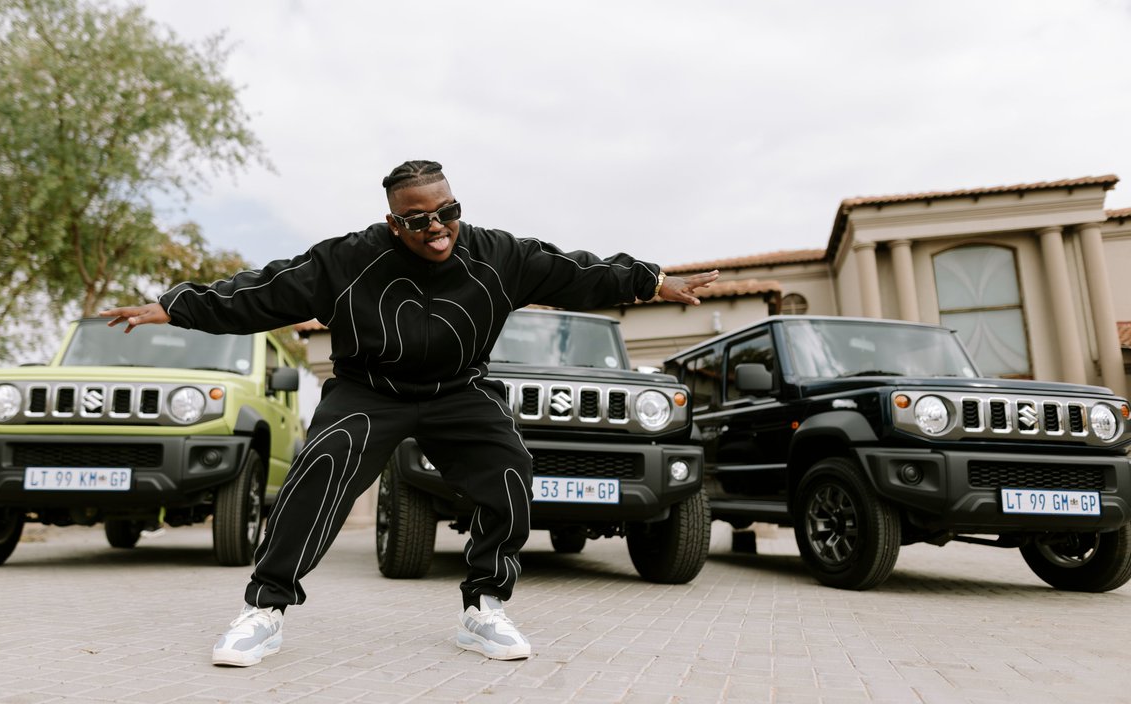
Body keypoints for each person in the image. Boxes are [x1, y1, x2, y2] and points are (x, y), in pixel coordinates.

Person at [101, 160, 718, 666]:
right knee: (322, 463)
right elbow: (264, 290)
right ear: (394, 222)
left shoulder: (499, 255)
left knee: (510, 469)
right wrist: (175, 307)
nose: (437, 227)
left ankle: (484, 611)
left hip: (458, 391)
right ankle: (264, 610)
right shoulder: (346, 260)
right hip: (369, 390)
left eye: (447, 212)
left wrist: (651, 280)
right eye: (418, 219)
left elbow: (576, 271)